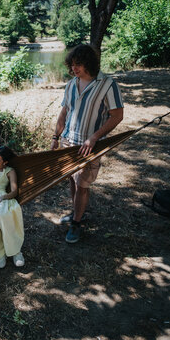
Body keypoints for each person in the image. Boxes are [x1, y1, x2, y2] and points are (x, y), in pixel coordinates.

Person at [51, 44, 124, 243]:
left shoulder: (108, 85)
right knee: (72, 180)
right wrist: (55, 137)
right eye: (72, 64)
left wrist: (94, 137)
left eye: (79, 64)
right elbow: (64, 112)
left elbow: (117, 116)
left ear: (89, 63)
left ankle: (76, 224)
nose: (74, 68)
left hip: (89, 146)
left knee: (83, 184)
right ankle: (77, 213)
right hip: (68, 142)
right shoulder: (71, 84)